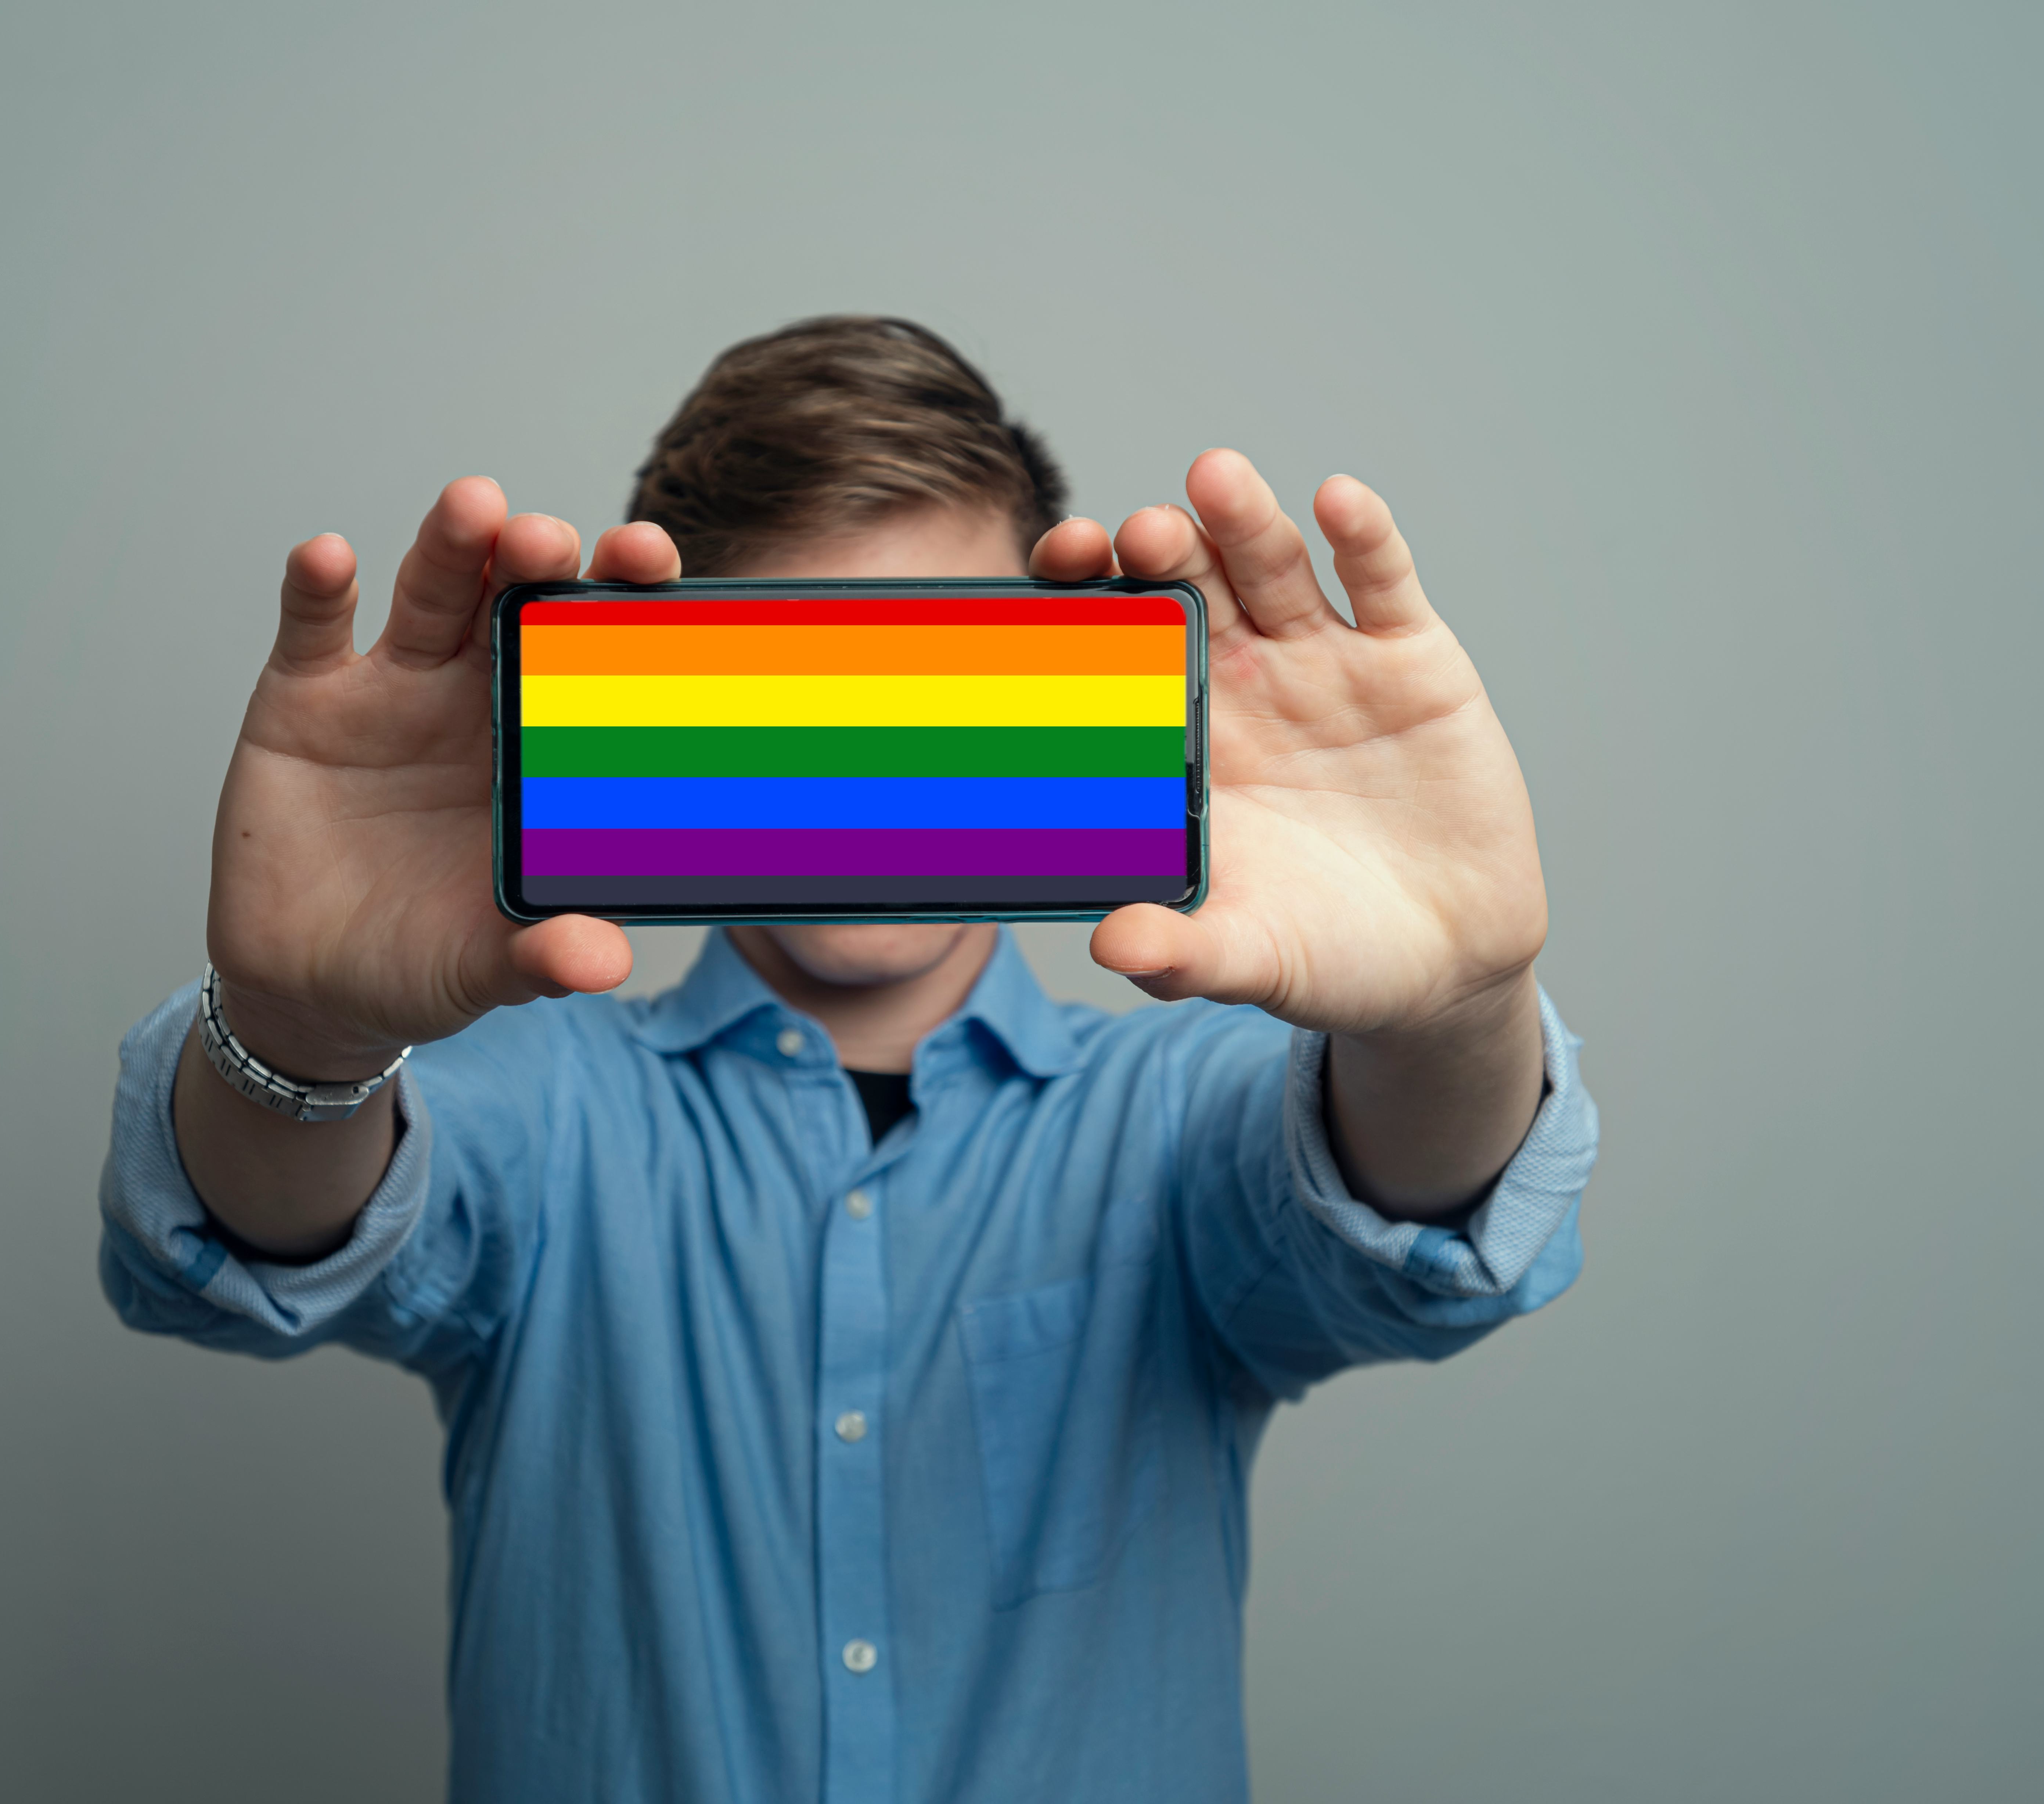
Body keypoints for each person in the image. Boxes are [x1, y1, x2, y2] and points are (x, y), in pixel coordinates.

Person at [98, 316, 1597, 1802]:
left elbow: (1417, 1220)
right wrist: (302, 1031)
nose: (868, 762)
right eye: (792, 689)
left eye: (936, 683)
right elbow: (260, 1235)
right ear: (660, 702)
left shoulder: (1169, 1122)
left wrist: (1454, 1008)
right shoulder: (550, 1109)